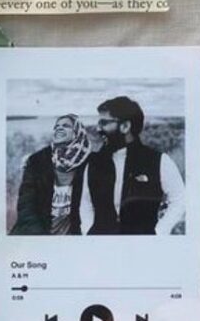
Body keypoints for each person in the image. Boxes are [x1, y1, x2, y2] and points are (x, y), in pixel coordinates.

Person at [79, 96, 186, 235]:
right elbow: (85, 203)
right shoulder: (94, 162)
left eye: (104, 122)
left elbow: (179, 199)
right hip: (101, 246)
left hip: (143, 248)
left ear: (125, 126)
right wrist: (88, 231)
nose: (98, 128)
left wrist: (159, 232)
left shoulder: (159, 160)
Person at [11, 114, 91, 235]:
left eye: (66, 126)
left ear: (77, 131)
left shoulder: (88, 161)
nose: (59, 128)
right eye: (56, 126)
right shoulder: (37, 160)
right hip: (36, 234)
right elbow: (26, 205)